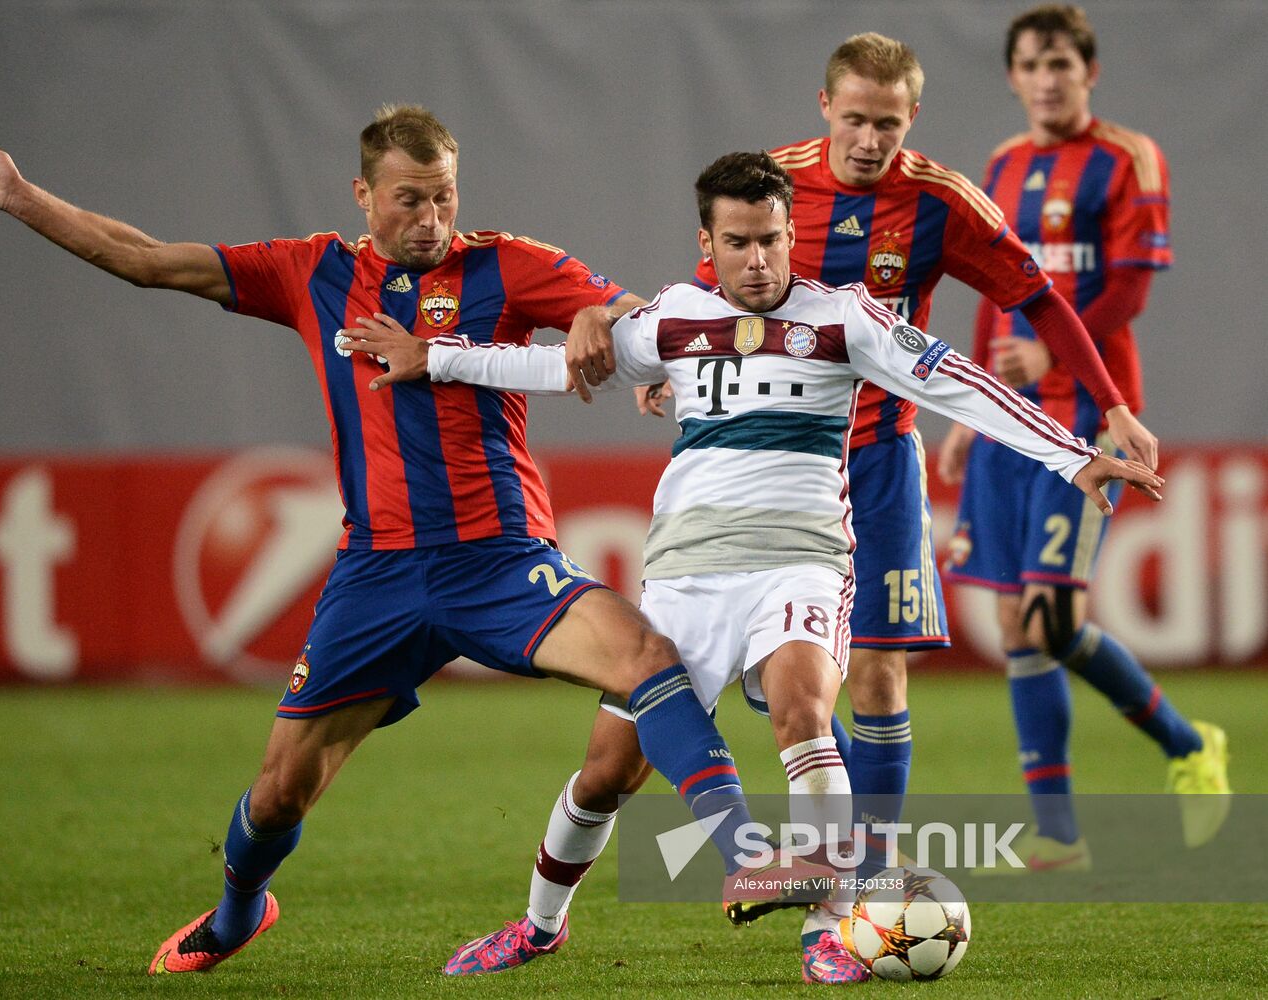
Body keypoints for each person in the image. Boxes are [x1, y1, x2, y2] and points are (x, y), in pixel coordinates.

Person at [0, 105, 792, 976]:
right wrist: (20, 197)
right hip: (376, 576)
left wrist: (602, 318)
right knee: (279, 796)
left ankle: (746, 856)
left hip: (501, 559)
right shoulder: (310, 272)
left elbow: (638, 314)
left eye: (445, 199)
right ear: (364, 195)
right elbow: (151, 262)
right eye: (409, 201)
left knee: (650, 657)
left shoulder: (506, 265)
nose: (430, 222)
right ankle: (240, 911)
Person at [344, 150, 1164, 983]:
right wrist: (435, 357)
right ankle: (538, 926)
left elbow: (958, 382)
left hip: (799, 561)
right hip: (686, 575)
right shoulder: (671, 319)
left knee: (803, 710)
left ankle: (828, 933)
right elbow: (555, 368)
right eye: (739, 242)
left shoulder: (845, 318)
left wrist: (1072, 456)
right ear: (710, 241)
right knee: (606, 775)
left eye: (772, 239)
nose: (760, 259)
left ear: (791, 232)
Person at [936, 4, 1229, 871]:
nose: (1047, 77)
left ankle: (1188, 745)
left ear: (1088, 70)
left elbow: (1131, 288)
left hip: (1087, 417)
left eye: (1061, 61)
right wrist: (971, 405)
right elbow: (997, 290)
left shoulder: (1128, 157)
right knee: (1014, 624)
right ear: (1013, 75)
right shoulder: (1000, 164)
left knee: (1053, 616)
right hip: (1010, 417)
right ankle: (1059, 832)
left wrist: (1050, 355)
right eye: (1031, 63)